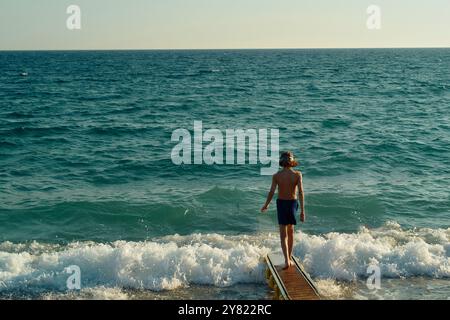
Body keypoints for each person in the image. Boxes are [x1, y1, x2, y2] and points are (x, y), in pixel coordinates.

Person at [261, 151, 305, 269]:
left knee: (283, 234)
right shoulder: (297, 174)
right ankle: (289, 258)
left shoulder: (277, 176)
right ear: (292, 161)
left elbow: (271, 192)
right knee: (291, 233)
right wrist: (302, 211)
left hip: (281, 204)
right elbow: (301, 192)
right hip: (292, 204)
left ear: (281, 161)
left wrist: (266, 205)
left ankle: (286, 260)